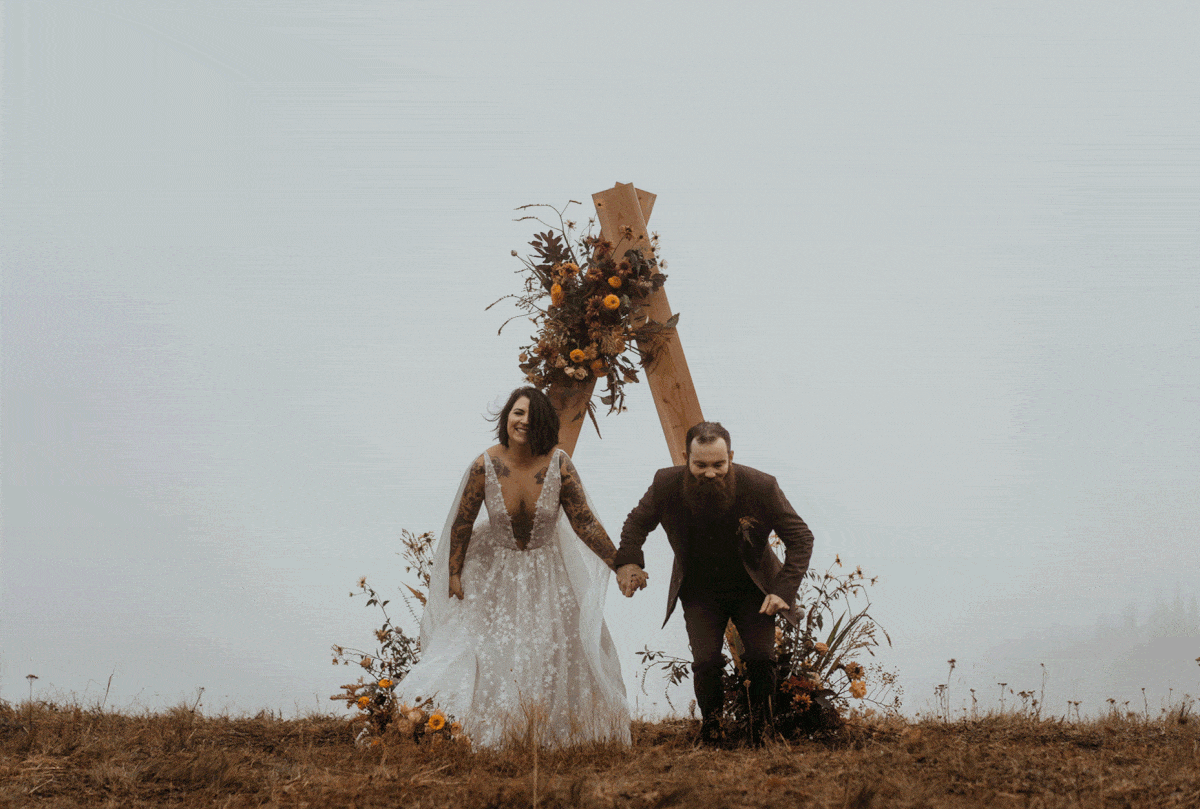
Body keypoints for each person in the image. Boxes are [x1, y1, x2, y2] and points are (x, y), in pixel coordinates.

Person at [395, 387, 630, 747]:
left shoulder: (559, 464)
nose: (524, 421)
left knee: (551, 647)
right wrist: (454, 573)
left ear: (544, 423)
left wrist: (620, 564)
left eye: (532, 416)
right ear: (507, 417)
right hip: (493, 568)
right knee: (483, 647)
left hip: (546, 570)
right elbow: (462, 521)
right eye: (518, 413)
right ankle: (477, 726)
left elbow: (584, 522)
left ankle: (545, 729)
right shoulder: (484, 464)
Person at [613, 421, 814, 746]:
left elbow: (801, 538)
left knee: (761, 658)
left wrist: (782, 591)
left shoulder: (761, 485)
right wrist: (630, 562)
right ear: (686, 458)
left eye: (719, 465)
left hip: (753, 590)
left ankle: (761, 730)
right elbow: (636, 523)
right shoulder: (665, 483)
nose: (710, 473)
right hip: (699, 590)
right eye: (700, 465)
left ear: (731, 457)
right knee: (705, 661)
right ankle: (713, 730)